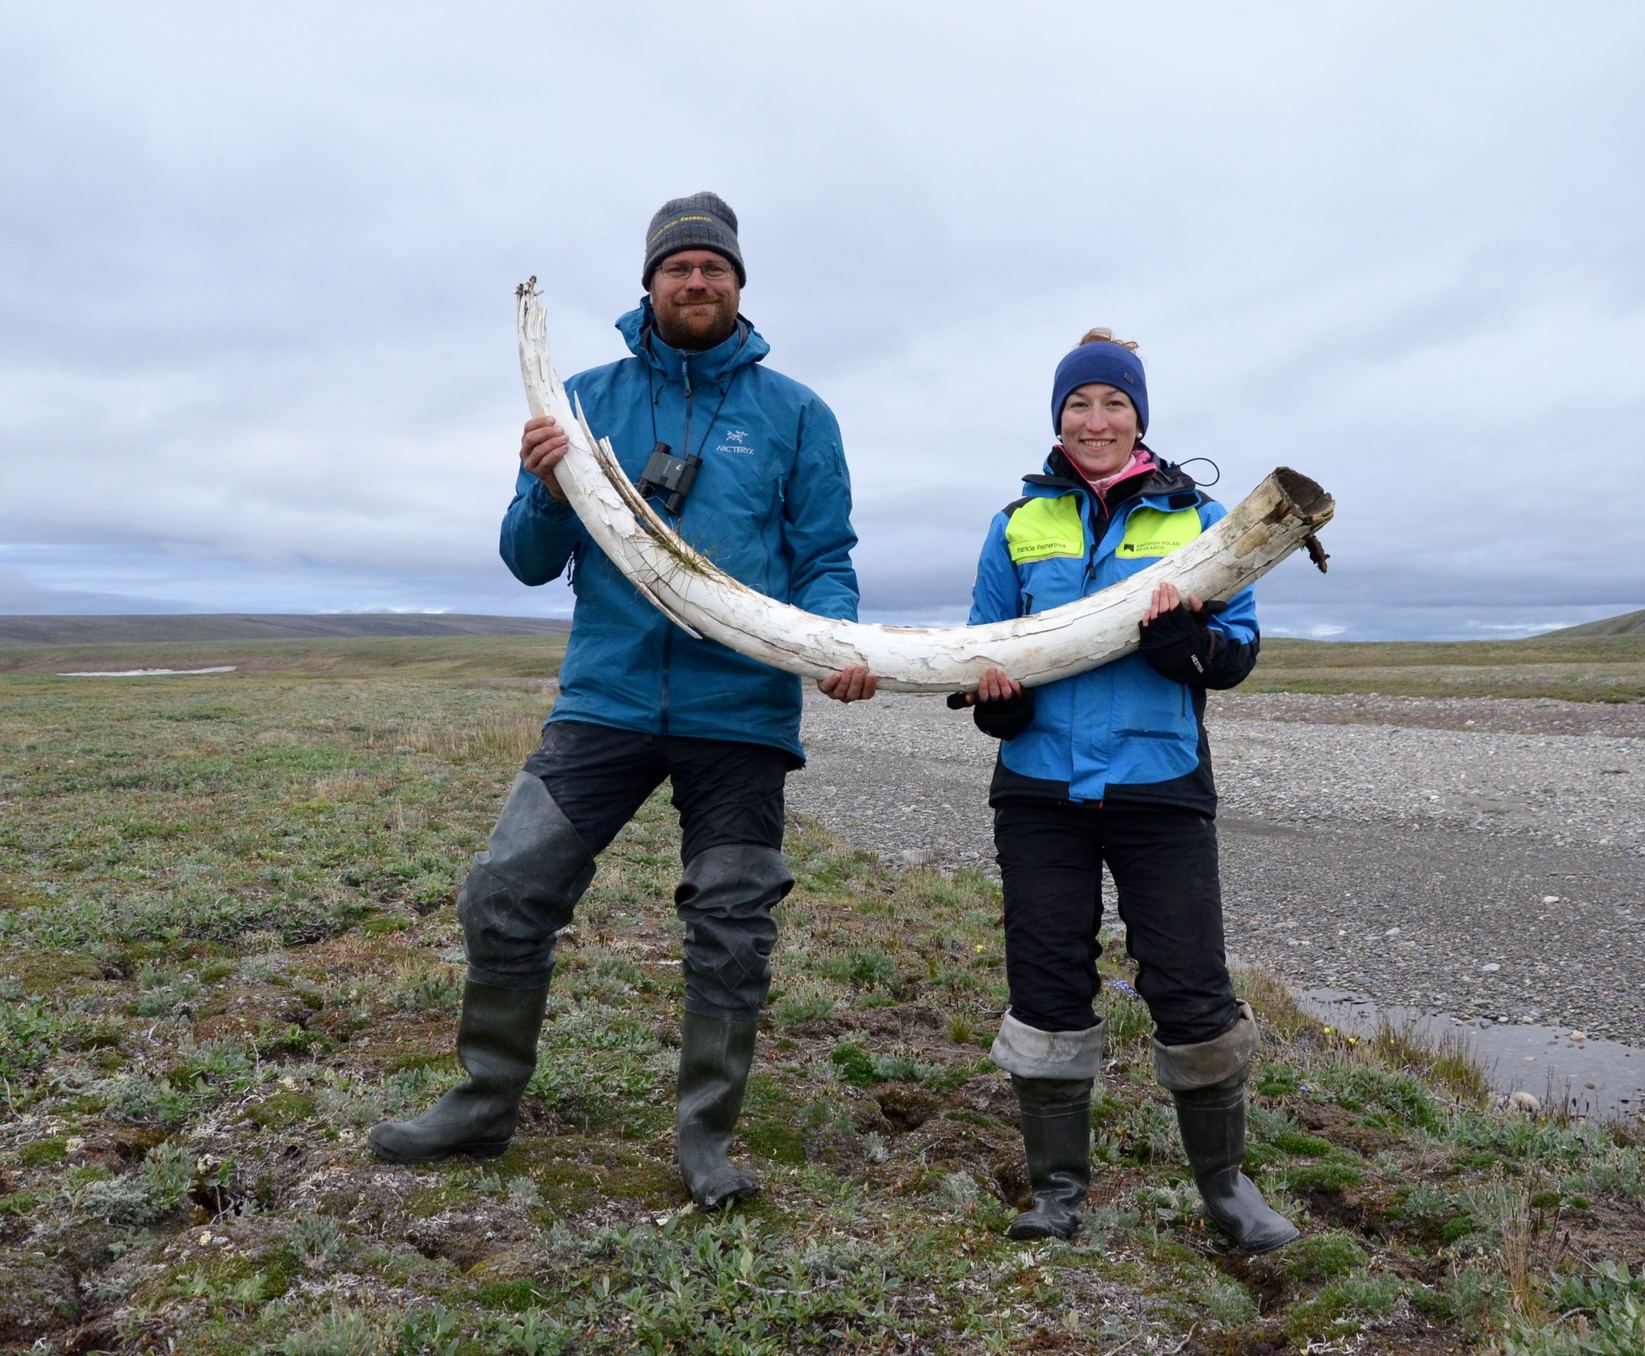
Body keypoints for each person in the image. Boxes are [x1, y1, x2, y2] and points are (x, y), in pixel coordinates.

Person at [370, 193, 877, 1211]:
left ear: (739, 284)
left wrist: (839, 644)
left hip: (741, 713)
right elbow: (524, 561)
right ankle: (482, 1101)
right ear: (648, 284)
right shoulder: (584, 397)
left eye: (714, 269)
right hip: (604, 701)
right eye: (678, 268)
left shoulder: (799, 415)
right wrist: (546, 487)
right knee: (506, 890)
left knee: (733, 923)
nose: (697, 283)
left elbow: (824, 559)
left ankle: (706, 1141)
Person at [959, 329, 1297, 1254]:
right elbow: (984, 649)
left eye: (1112, 403)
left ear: (1140, 417)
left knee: (1190, 989)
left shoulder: (1208, 523)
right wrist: (999, 707)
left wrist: (1183, 644)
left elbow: (1236, 654)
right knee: (1045, 983)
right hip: (1037, 790)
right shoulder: (1014, 524)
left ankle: (1225, 1191)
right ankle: (1055, 1192)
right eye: (1078, 404)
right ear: (1057, 418)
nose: (1094, 419)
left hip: (1160, 787)